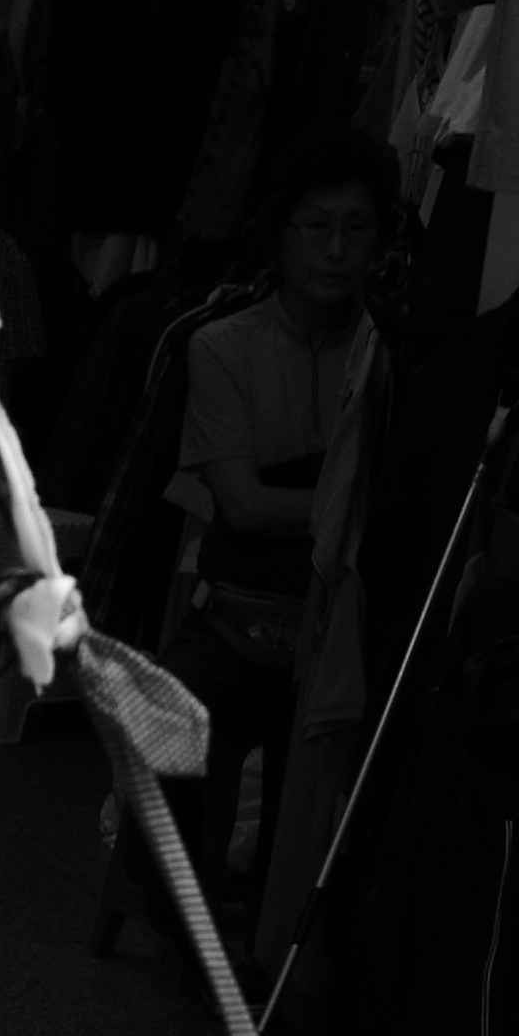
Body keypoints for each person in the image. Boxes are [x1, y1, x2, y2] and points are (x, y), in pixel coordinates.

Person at [159, 128, 399, 910]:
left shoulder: (391, 353)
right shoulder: (222, 345)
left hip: (346, 621)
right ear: (280, 235)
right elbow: (245, 507)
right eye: (316, 226)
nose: (335, 249)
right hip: (239, 614)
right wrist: (348, 506)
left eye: (355, 228)